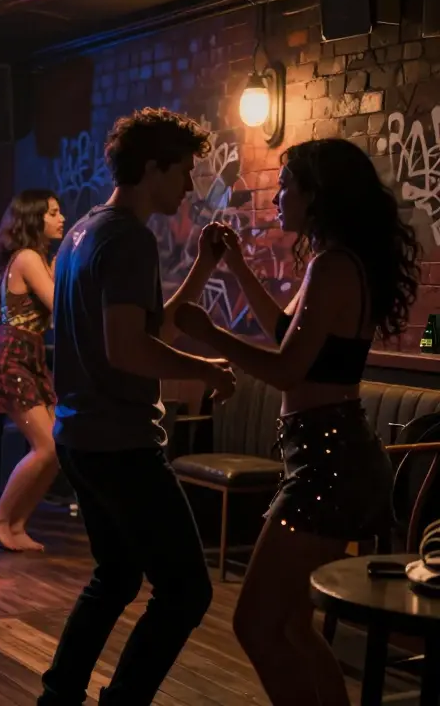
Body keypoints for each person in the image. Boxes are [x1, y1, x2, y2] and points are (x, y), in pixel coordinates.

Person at [174, 138, 419, 706]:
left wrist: (211, 335)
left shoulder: (333, 266)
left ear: (317, 195)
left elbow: (286, 370)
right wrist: (237, 266)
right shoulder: (336, 262)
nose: (277, 196)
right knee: (289, 625)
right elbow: (287, 335)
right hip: (329, 457)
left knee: (256, 624)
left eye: (286, 186)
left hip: (328, 464)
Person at [40, 107, 236, 706]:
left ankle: (59, 696)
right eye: (184, 171)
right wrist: (205, 370)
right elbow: (128, 349)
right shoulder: (129, 238)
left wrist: (201, 267)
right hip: (120, 442)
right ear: (153, 168)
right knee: (186, 591)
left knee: (118, 575)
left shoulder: (84, 230)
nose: (189, 186)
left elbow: (146, 330)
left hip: (80, 436)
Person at [0, 189, 65, 553]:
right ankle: (0, 519)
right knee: (46, 447)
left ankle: (16, 525)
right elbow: (58, 304)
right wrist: (62, 273)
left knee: (56, 449)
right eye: (53, 213)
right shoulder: (28, 256)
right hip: (13, 353)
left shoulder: (23, 257)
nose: (61, 218)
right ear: (34, 218)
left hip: (25, 352)